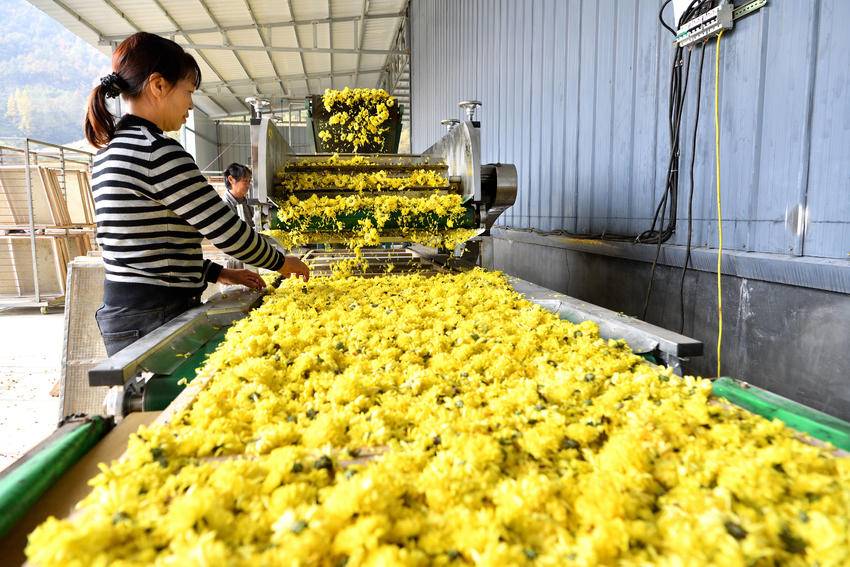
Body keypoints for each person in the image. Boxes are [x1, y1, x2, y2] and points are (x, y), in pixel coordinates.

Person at [85, 32, 309, 356]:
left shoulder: (109, 151)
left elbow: (146, 244)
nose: (190, 104)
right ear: (158, 85)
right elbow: (225, 230)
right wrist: (281, 262)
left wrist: (218, 272)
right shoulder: (156, 152)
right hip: (155, 313)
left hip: (129, 311)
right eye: (188, 92)